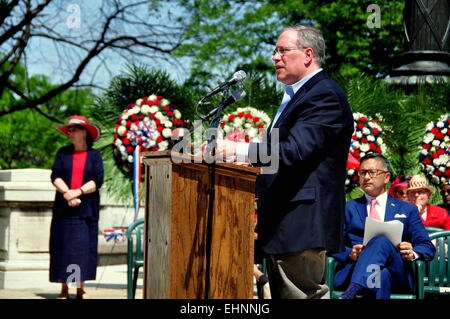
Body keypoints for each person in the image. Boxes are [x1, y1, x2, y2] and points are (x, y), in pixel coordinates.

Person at [206, 25, 354, 299]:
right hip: (285, 220)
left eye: (283, 50)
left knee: (303, 295)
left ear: (308, 54)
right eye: (275, 51)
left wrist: (236, 149)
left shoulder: (324, 95)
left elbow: (293, 151)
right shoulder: (299, 95)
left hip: (302, 220)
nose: (275, 57)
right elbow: (285, 157)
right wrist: (242, 163)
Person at [330, 153, 435, 299]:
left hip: (398, 271)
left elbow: (427, 246)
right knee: (381, 274)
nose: (366, 177)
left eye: (372, 172)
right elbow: (330, 243)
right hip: (357, 268)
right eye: (362, 173)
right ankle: (354, 288)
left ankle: (351, 292)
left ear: (386, 177)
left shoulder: (406, 209)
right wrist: (350, 253)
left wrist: (412, 253)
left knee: (381, 240)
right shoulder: (348, 208)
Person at [50, 115, 104, 299]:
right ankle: (64, 289)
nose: (70, 133)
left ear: (84, 132)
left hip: (86, 210)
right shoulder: (62, 153)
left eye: (74, 129)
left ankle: (80, 289)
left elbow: (98, 180)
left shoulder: (95, 155)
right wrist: (67, 193)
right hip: (63, 210)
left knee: (82, 250)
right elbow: (55, 175)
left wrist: (78, 192)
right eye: (69, 130)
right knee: (62, 248)